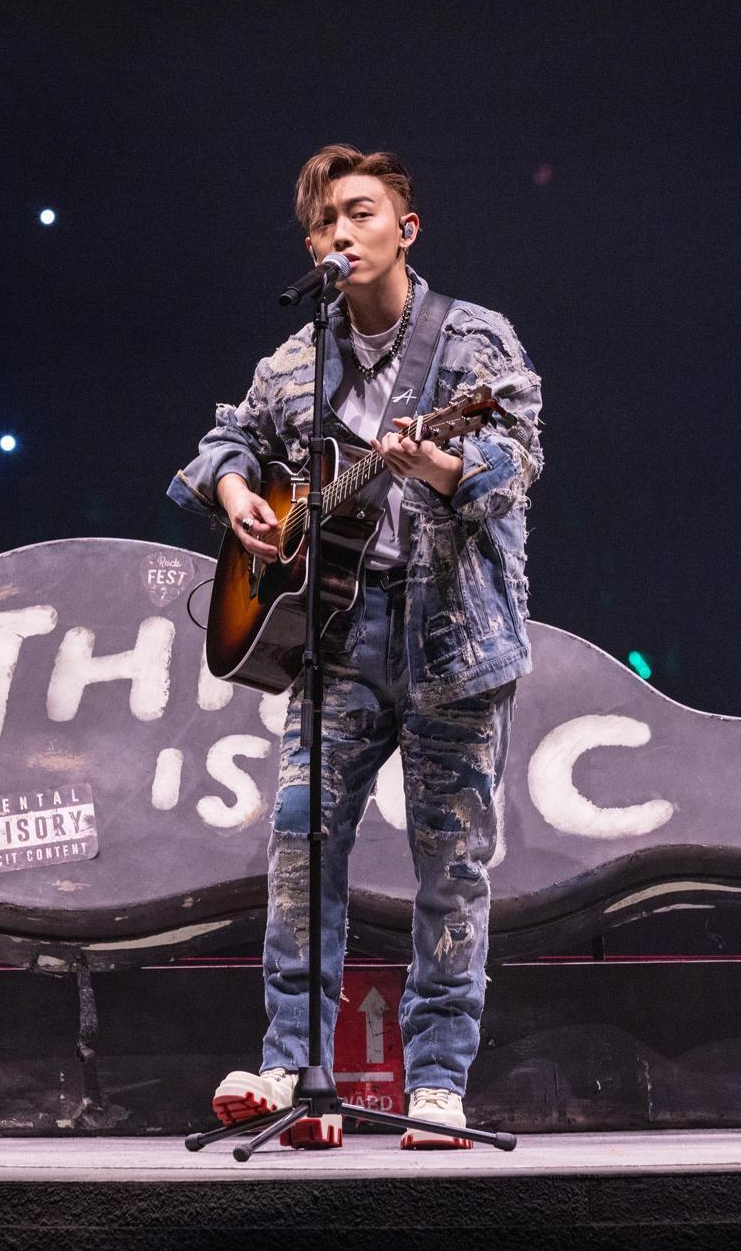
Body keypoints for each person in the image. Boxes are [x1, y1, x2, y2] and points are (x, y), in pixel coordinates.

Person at [168, 144, 542, 1148]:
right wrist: (238, 492)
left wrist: (439, 465)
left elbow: (514, 462)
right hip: (333, 636)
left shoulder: (473, 341)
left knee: (450, 865)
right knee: (300, 846)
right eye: (326, 220)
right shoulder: (296, 361)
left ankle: (437, 1085)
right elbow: (225, 441)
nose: (343, 231)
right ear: (311, 247)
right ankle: (293, 1071)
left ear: (405, 229)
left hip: (452, 635)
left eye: (361, 212)